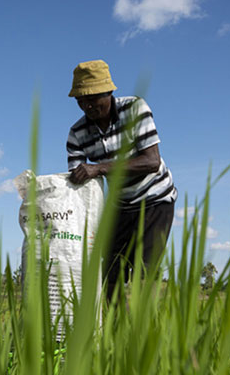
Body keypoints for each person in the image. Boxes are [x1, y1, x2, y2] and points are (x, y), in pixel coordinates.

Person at [65, 60, 176, 300]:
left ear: (109, 92)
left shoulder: (135, 108)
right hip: (120, 205)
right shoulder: (77, 133)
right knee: (109, 270)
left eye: (93, 99)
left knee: (145, 270)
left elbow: (150, 161)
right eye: (81, 101)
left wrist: (100, 168)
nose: (88, 106)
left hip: (155, 198)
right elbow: (77, 181)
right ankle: (113, 329)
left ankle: (143, 328)